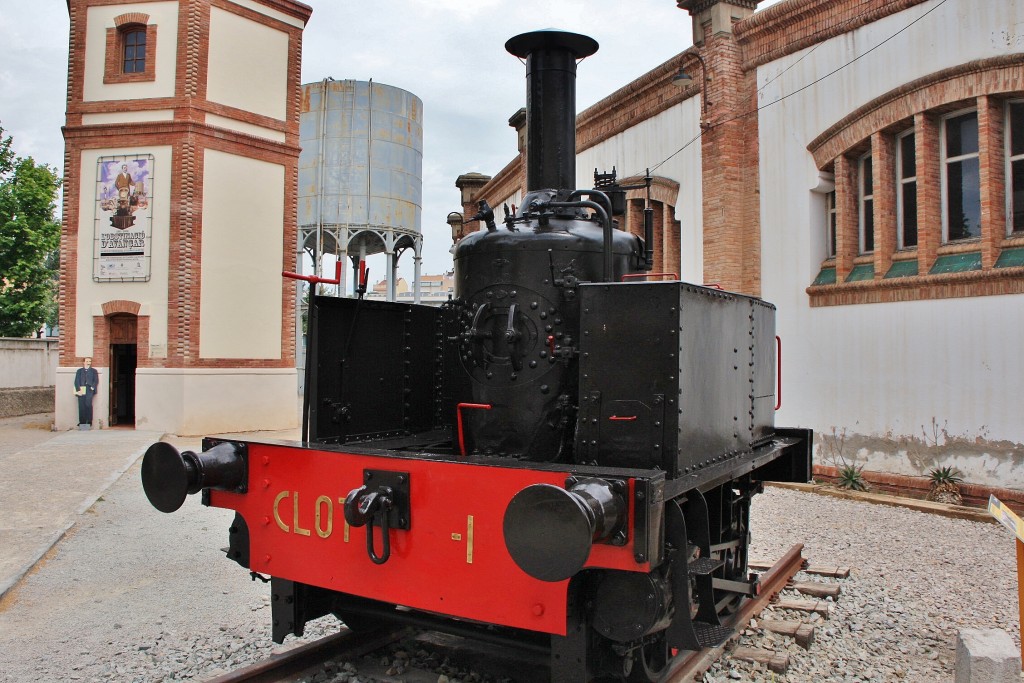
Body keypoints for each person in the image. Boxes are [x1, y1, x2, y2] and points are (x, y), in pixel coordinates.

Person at [74, 357, 99, 429]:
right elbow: (76, 380)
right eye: (87, 361)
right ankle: (82, 422)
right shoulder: (79, 371)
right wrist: (78, 389)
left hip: (89, 389)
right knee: (81, 406)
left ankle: (89, 421)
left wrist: (93, 387)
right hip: (81, 389)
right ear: (83, 362)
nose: (88, 362)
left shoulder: (94, 371)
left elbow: (96, 380)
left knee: (88, 404)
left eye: (90, 361)